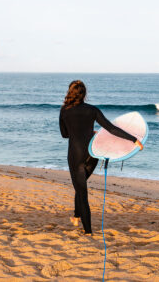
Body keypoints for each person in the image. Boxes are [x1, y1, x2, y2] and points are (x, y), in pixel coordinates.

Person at [59, 80, 143, 235]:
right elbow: (111, 128)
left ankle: (88, 232)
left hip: (75, 155)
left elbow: (65, 135)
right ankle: (76, 216)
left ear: (70, 92)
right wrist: (134, 140)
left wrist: (77, 131)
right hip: (93, 154)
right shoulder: (92, 110)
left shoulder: (65, 110)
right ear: (84, 94)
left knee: (81, 191)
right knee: (80, 187)